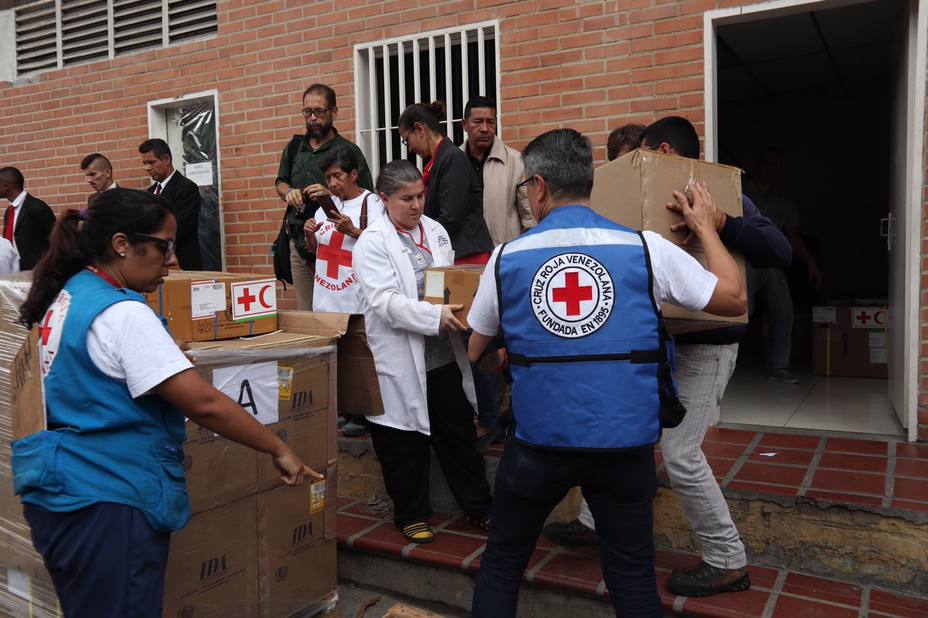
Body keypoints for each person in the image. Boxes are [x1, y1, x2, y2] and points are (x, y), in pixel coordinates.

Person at [468, 128, 747, 617]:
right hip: (624, 447)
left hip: (538, 446)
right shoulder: (646, 249)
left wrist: (512, 354)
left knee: (503, 564)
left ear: (538, 187)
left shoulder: (506, 257)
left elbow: (477, 350)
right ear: (588, 180)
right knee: (632, 577)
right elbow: (733, 299)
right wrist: (705, 226)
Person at [12, 188, 320, 618]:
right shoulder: (124, 314)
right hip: (106, 497)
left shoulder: (73, 293)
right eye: (163, 247)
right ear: (121, 244)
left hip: (65, 489)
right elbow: (205, 404)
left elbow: (92, 371)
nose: (173, 261)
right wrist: (278, 448)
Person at [545, 117, 792, 598]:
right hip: (660, 343)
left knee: (681, 454)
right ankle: (595, 525)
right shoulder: (640, 199)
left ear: (662, 151)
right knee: (625, 434)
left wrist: (720, 223)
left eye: (642, 154)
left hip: (709, 348)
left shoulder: (728, 194)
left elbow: (778, 250)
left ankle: (727, 560)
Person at [353, 160, 492, 544]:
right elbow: (384, 302)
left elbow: (448, 281)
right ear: (384, 199)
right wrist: (435, 316)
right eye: (407, 199)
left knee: (458, 432)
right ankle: (410, 513)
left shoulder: (435, 231)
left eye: (421, 196)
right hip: (398, 355)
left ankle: (479, 506)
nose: (417, 205)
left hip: (441, 353)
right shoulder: (372, 242)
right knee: (402, 442)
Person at [303, 147, 384, 438]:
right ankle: (342, 409)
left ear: (353, 174)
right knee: (335, 356)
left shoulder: (371, 203)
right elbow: (318, 249)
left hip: (353, 297)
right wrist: (309, 233)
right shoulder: (326, 205)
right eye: (328, 177)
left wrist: (352, 230)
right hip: (326, 294)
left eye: (337, 176)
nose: (333, 183)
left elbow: (379, 245)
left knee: (356, 355)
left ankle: (361, 413)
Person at [276, 83, 374, 310]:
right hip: (299, 238)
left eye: (319, 112)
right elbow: (280, 182)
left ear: (334, 112)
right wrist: (289, 192)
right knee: (306, 311)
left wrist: (330, 193)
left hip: (335, 242)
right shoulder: (294, 147)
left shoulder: (347, 151)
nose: (312, 118)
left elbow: (365, 192)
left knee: (339, 308)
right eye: (307, 112)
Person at [746, 146, 819, 384]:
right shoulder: (742, 193)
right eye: (767, 163)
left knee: (784, 312)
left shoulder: (784, 202)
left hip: (772, 263)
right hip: (745, 259)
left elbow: (792, 236)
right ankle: (726, 362)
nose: (771, 169)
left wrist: (810, 262)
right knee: (740, 308)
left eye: (775, 164)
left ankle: (778, 368)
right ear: (759, 166)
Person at [397, 101, 493, 264]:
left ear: (420, 129)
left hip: (467, 257)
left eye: (407, 140)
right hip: (451, 253)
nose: (410, 149)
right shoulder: (439, 160)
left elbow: (450, 218)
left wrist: (419, 241)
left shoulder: (452, 158)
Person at [460, 96, 535, 246]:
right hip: (464, 258)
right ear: (464, 124)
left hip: (505, 257)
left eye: (490, 122)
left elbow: (530, 219)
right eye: (478, 122)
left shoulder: (517, 162)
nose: (485, 129)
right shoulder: (454, 162)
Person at [139, 139, 202, 271]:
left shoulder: (187, 188)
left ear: (167, 159)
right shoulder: (149, 193)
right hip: (155, 265)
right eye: (144, 163)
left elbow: (178, 229)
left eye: (151, 162)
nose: (147, 168)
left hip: (181, 264)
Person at [0, 166, 55, 271]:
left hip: (36, 273)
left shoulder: (37, 207)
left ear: (5, 186)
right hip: (14, 273)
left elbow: (55, 241)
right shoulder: (9, 211)